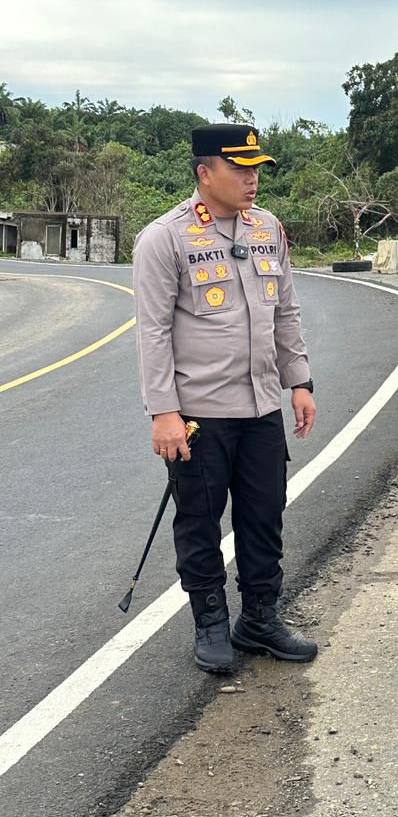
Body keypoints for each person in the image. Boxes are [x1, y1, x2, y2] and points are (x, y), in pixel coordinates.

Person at [133, 123, 318, 674]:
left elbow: (285, 312)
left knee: (265, 517)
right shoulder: (164, 238)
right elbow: (152, 332)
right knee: (199, 520)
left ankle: (259, 617)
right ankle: (211, 622)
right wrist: (163, 411)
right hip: (198, 416)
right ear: (204, 173)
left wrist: (299, 381)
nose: (252, 178)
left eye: (256, 167)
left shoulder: (268, 228)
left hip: (261, 408)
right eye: (239, 168)